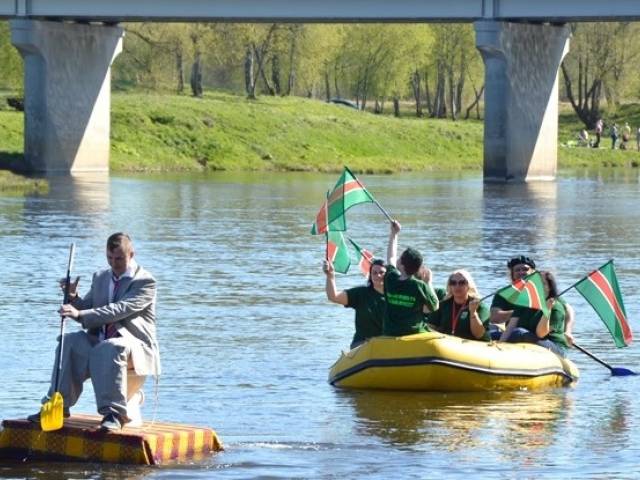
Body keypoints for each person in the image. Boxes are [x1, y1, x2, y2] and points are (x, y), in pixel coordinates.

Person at [28, 232, 160, 431]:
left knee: (110, 347)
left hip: (134, 346)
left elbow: (118, 310)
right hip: (99, 340)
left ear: (131, 254)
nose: (114, 264)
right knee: (69, 341)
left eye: (119, 258)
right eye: (110, 258)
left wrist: (79, 314)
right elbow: (89, 305)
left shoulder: (145, 282)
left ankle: (113, 414)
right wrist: (73, 298)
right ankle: (58, 405)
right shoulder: (101, 277)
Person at [490, 255, 575, 345]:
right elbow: (494, 317)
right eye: (517, 270)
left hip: (539, 338)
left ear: (533, 273)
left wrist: (568, 331)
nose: (521, 272)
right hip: (514, 332)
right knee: (490, 331)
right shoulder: (504, 293)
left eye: (525, 269)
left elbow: (568, 310)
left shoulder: (546, 293)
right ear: (512, 274)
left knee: (519, 332)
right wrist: (522, 311)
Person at [382, 220, 439, 336]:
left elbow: (390, 257)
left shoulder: (390, 278)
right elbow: (435, 305)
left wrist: (394, 234)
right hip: (413, 333)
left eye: (400, 257)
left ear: (401, 265)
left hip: (390, 332)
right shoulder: (419, 285)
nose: (397, 258)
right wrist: (429, 282)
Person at [499, 271, 569, 357]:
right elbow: (511, 326)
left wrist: (547, 310)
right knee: (494, 334)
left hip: (554, 346)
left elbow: (540, 333)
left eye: (543, 284)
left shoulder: (557, 308)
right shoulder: (524, 303)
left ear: (549, 288)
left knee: (520, 333)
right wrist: (499, 344)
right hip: (530, 339)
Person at [323, 258, 386, 349]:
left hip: (387, 344)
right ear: (370, 275)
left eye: (381, 272)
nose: (378, 275)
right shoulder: (361, 293)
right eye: (374, 273)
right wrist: (330, 275)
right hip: (362, 344)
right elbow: (333, 296)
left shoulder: (395, 296)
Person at [427, 269, 490, 341]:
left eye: (462, 283)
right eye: (453, 283)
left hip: (472, 345)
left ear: (469, 285)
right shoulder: (442, 305)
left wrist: (473, 312)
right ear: (449, 286)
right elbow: (430, 327)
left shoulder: (480, 306)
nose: (457, 286)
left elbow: (478, 335)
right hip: (447, 343)